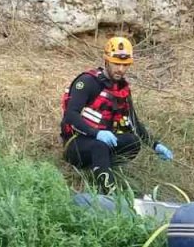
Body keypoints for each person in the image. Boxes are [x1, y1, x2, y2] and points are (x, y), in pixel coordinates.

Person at [60, 36, 174, 193]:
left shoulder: (121, 89)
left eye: (125, 65)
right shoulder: (87, 82)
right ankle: (110, 193)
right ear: (106, 61)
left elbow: (134, 122)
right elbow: (70, 115)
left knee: (133, 142)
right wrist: (97, 133)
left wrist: (155, 145)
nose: (120, 69)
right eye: (116, 64)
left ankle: (101, 168)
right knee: (100, 145)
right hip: (76, 143)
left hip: (101, 143)